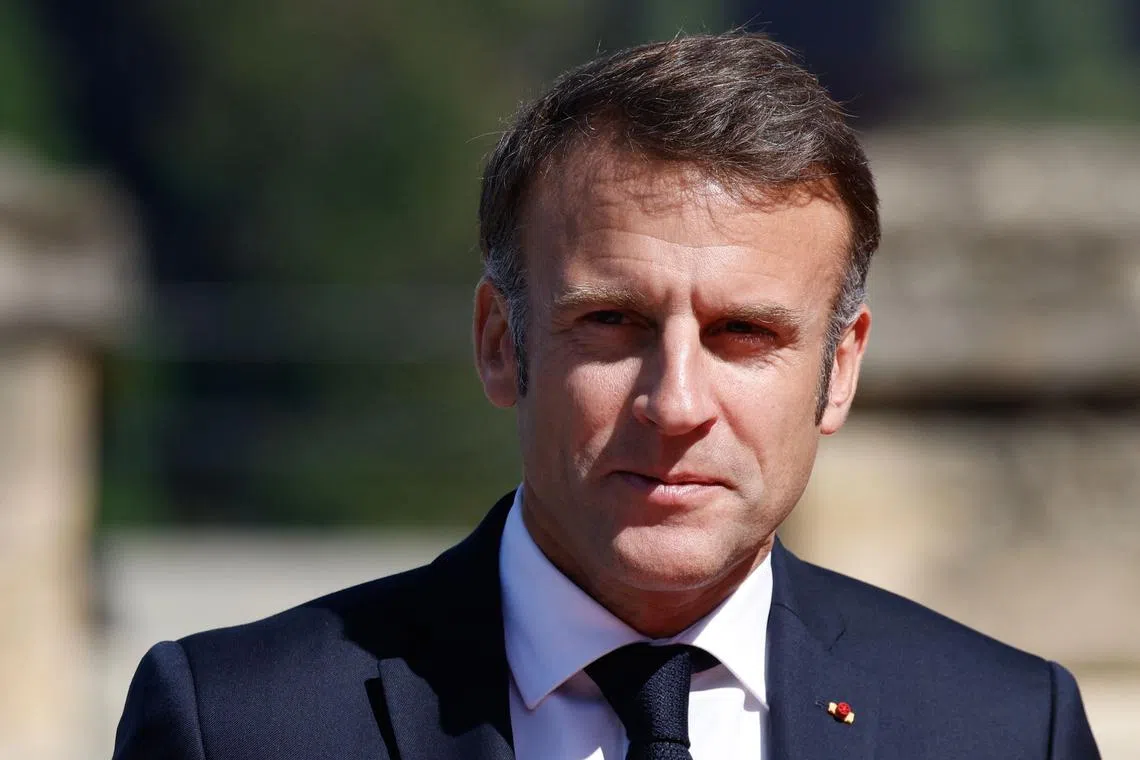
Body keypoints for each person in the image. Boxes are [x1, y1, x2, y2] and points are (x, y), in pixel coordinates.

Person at [112, 32, 1100, 760]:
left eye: (743, 333)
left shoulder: (1006, 729)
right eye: (614, 324)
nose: (675, 404)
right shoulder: (238, 724)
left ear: (838, 370)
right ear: (503, 344)